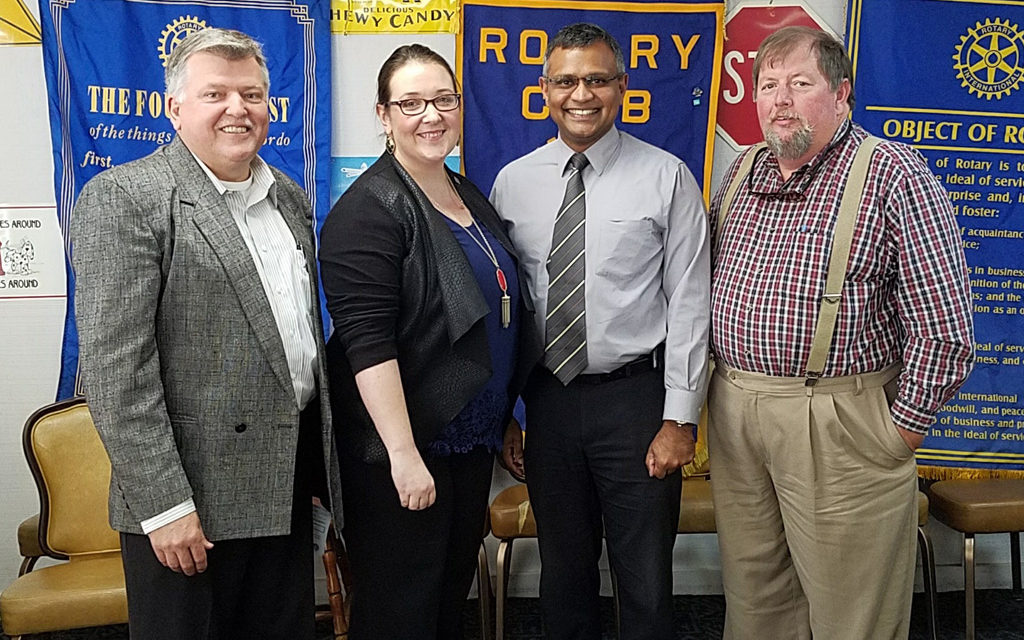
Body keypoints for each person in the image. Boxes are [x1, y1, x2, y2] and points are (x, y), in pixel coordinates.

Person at [708, 26, 974, 640]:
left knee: (853, 620)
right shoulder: (744, 168)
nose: (780, 100)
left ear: (842, 93)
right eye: (768, 86)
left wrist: (894, 434)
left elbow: (945, 329)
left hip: (838, 422)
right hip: (737, 410)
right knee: (756, 609)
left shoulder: (894, 175)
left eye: (800, 84)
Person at [71, 28, 338, 640]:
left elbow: (296, 347)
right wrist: (164, 506)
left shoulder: (289, 199)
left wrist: (319, 476)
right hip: (190, 507)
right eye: (215, 93)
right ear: (175, 108)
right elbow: (118, 373)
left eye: (252, 94)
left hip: (285, 486)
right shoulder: (126, 198)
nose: (237, 109)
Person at [490, 23, 711, 640]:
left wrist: (681, 418)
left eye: (595, 79)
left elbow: (692, 300)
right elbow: (510, 311)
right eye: (565, 81)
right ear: (544, 90)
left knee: (644, 582)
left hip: (637, 404)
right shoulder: (514, 181)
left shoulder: (667, 177)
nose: (580, 94)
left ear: (621, 87)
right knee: (563, 577)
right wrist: (507, 410)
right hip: (549, 404)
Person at [318, 44, 539, 640]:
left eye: (443, 100)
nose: (430, 115)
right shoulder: (367, 212)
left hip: (464, 441)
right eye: (410, 103)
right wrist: (404, 455)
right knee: (399, 610)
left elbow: (496, 313)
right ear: (383, 116)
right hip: (401, 454)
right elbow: (368, 348)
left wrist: (504, 419)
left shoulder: (463, 191)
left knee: (443, 602)